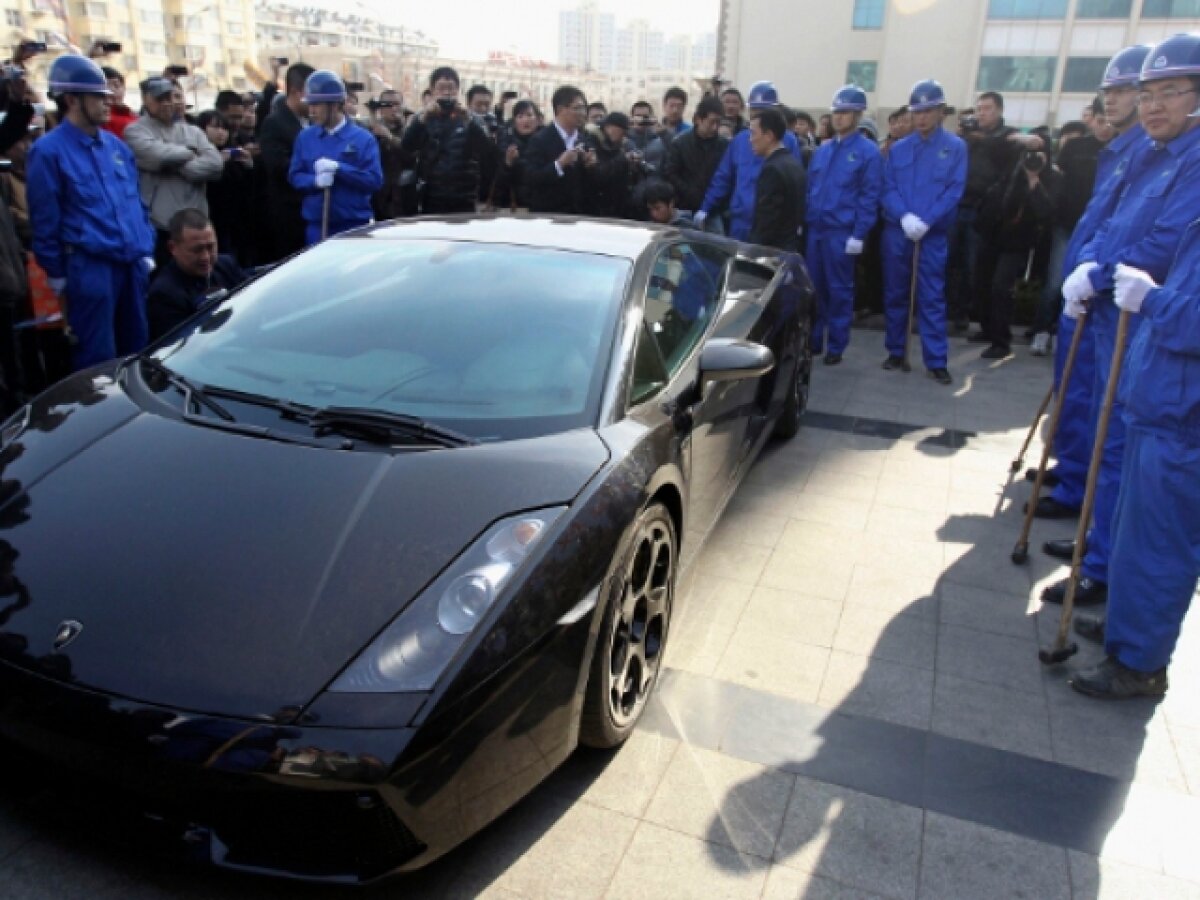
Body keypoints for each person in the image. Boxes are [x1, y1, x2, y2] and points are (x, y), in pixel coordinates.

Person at [1045, 34, 1200, 613]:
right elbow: (1110, 226)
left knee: (1124, 449)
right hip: (1112, 310)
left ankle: (1105, 568)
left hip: (1150, 325)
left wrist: (1102, 274)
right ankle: (1100, 552)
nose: (1151, 105)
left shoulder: (1189, 163)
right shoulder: (1149, 154)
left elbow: (1160, 245)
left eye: (1170, 92)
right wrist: (1089, 269)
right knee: (1108, 439)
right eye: (1147, 92)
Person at [1067, 219, 1200, 699]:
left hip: (1186, 422)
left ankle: (1139, 662)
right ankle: (1125, 631)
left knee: (1159, 548)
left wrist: (1153, 300)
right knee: (1133, 536)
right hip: (1163, 406)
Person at [26, 54, 155, 370]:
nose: (108, 102)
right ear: (71, 99)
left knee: (138, 355)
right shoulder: (47, 152)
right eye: (98, 96)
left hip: (131, 265)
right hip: (90, 268)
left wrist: (146, 244)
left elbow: (135, 202)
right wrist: (58, 273)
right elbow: (45, 221)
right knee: (98, 363)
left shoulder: (116, 147)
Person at [879, 79, 966, 385]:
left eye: (928, 111)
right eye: (917, 112)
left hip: (933, 233)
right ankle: (896, 350)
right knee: (896, 293)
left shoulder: (955, 147)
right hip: (899, 231)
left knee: (931, 297)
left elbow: (954, 190)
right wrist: (903, 216)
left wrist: (927, 220)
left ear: (941, 112)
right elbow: (887, 187)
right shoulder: (899, 148)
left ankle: (936, 359)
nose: (922, 118)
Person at [805, 85, 882, 364]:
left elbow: (869, 195)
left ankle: (836, 345)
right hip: (817, 229)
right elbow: (811, 188)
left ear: (858, 114)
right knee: (815, 289)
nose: (838, 117)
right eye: (836, 112)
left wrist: (859, 233)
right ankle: (814, 339)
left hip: (842, 232)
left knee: (839, 290)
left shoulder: (867, 152)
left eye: (845, 112)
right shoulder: (824, 151)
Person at [124, 77, 223, 269]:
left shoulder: (193, 131)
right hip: (162, 228)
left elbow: (216, 164)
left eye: (169, 97)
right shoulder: (135, 131)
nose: (167, 103)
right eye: (160, 99)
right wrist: (190, 153)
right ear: (146, 100)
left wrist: (178, 165)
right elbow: (157, 156)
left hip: (198, 226)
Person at [973, 146, 1061, 359]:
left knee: (1001, 288)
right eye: (1027, 154)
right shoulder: (1007, 171)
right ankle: (988, 329)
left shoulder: (1051, 177)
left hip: (1017, 242)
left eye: (1037, 155)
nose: (1030, 159)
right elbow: (991, 144)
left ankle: (1001, 341)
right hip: (991, 237)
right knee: (981, 284)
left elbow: (1047, 211)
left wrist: (1034, 180)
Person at [951, 91, 1022, 337]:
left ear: (999, 110)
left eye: (987, 108)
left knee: (978, 271)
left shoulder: (1008, 137)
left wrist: (979, 138)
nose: (982, 113)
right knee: (954, 265)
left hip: (987, 213)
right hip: (959, 205)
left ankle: (987, 324)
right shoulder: (967, 139)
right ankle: (958, 314)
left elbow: (1009, 156)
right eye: (979, 108)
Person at [695, 80, 802, 241]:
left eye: (763, 110)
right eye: (754, 110)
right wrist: (706, 207)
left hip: (772, 225)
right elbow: (723, 177)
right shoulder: (741, 140)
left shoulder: (787, 140)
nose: (757, 115)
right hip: (740, 222)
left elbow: (795, 184)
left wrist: (798, 220)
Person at [288, 70, 382, 244]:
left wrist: (340, 170)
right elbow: (295, 176)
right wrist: (314, 181)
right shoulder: (305, 137)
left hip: (353, 226)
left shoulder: (363, 139)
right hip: (317, 226)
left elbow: (374, 180)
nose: (312, 111)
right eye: (310, 105)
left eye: (317, 105)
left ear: (335, 105)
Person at [400, 66, 491, 214]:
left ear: (458, 90)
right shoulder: (422, 118)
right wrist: (422, 120)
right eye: (441, 88)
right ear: (432, 90)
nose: (447, 92)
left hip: (464, 195)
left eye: (451, 88)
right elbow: (406, 147)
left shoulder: (471, 118)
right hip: (431, 195)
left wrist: (469, 121)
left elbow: (486, 149)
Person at [146, 208, 247, 340]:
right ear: (173, 248)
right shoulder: (164, 293)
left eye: (210, 247)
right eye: (197, 250)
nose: (205, 257)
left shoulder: (226, 265)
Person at [259, 62, 314, 261]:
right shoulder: (275, 123)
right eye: (313, 96)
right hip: (289, 214)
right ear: (298, 92)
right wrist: (314, 171)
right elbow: (278, 166)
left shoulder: (312, 122)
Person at [197, 110, 255, 266]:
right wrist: (217, 163)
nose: (221, 133)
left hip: (239, 222)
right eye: (215, 127)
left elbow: (248, 189)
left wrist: (249, 166)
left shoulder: (234, 153)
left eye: (224, 128)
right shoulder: (199, 156)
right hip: (215, 220)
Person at [523, 85, 592, 214]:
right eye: (577, 108)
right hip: (548, 216)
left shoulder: (585, 140)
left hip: (578, 216)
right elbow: (530, 178)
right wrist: (558, 164)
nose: (583, 113)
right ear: (560, 109)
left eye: (584, 108)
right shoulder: (539, 140)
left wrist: (590, 166)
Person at [747, 109, 805, 252]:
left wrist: (751, 252)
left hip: (772, 253)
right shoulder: (794, 164)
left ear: (769, 136)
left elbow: (766, 222)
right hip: (791, 247)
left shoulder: (772, 170)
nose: (750, 139)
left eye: (754, 133)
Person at [663, 95, 727, 222]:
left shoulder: (724, 145)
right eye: (711, 122)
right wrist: (689, 192)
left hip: (712, 210)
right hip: (684, 208)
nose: (715, 127)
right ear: (698, 119)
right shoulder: (680, 143)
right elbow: (670, 173)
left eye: (718, 123)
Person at [369, 88, 416, 220]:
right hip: (380, 198)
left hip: (406, 198)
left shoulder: (411, 129)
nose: (393, 109)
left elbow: (411, 156)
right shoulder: (371, 131)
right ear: (380, 109)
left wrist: (389, 137)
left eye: (397, 104)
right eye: (388, 105)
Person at [582, 111, 634, 218]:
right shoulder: (591, 142)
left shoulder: (619, 145)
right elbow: (599, 174)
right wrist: (623, 159)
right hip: (597, 207)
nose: (623, 137)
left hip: (617, 206)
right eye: (622, 132)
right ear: (609, 127)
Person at [490, 100, 539, 210]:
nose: (525, 120)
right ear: (514, 121)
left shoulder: (546, 142)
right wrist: (507, 164)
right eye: (520, 116)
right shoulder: (505, 144)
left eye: (529, 115)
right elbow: (498, 186)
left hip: (540, 208)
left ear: (538, 119)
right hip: (513, 208)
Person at [99, 66, 136, 138]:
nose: (112, 90)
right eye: (106, 87)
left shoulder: (132, 114)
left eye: (116, 86)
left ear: (124, 88)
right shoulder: (100, 117)